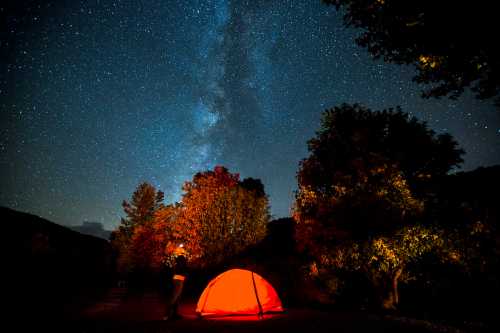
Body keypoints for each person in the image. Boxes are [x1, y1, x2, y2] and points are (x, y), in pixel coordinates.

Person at [164, 247, 188, 321]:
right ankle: (167, 315)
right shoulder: (180, 260)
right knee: (174, 298)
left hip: (179, 280)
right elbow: (181, 269)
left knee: (177, 298)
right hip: (178, 280)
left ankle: (174, 314)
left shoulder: (179, 261)